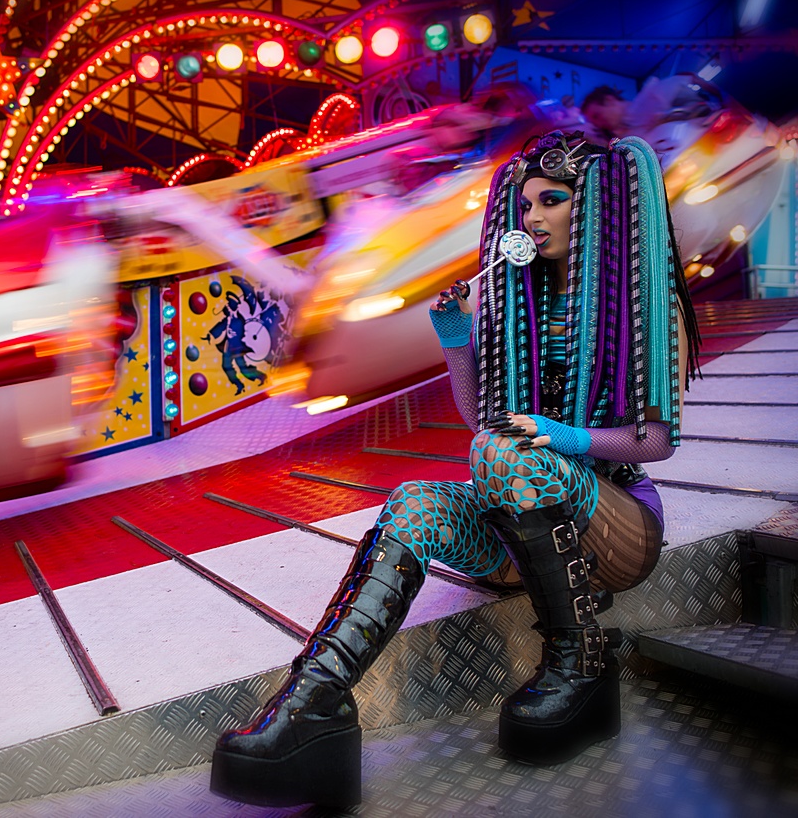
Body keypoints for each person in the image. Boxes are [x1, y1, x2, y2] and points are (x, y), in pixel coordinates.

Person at [209, 130, 701, 808]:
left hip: (616, 526)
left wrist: (564, 435)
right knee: (415, 500)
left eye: (551, 201)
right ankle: (317, 701)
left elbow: (655, 442)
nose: (531, 217)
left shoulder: (644, 309)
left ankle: (580, 661)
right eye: (525, 205)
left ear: (596, 208)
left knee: (500, 453)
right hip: (525, 522)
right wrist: (457, 339)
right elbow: (482, 420)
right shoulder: (519, 303)